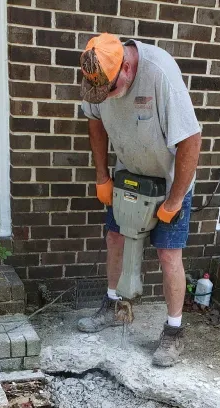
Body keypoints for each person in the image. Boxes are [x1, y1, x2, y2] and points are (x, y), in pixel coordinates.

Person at [77, 32, 201, 367]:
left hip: (170, 181)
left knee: (167, 254)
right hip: (129, 176)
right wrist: (102, 175)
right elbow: (96, 122)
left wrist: (174, 201)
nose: (108, 98)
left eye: (112, 90)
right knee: (115, 237)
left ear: (128, 68)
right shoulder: (97, 74)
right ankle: (115, 306)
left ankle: (174, 332)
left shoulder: (159, 73)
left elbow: (191, 140)